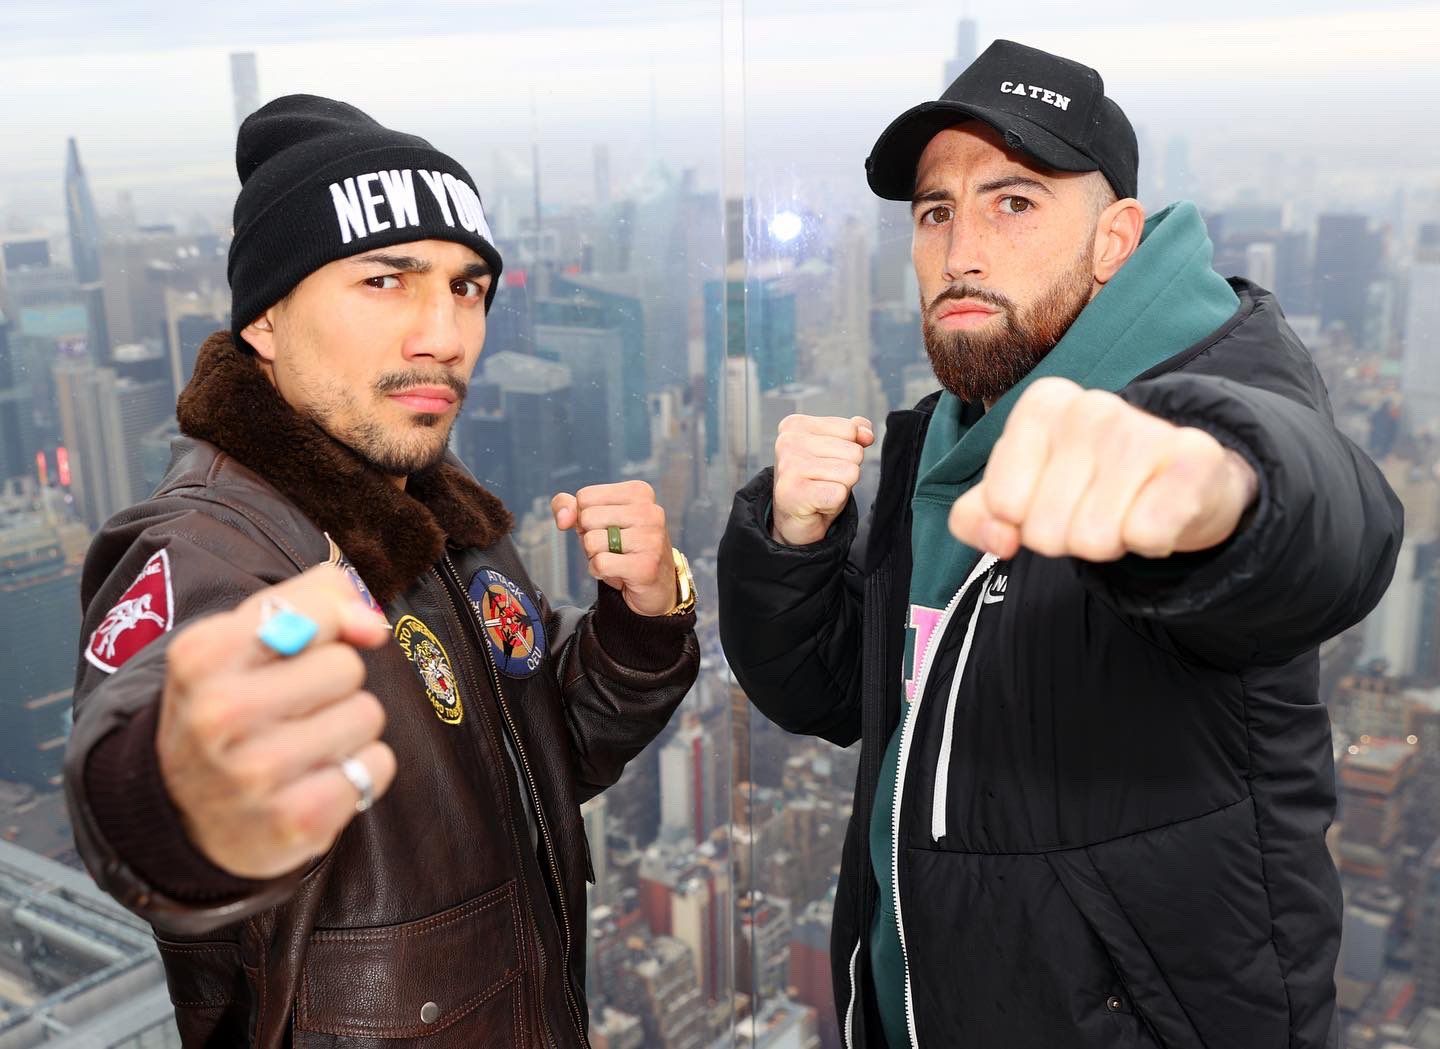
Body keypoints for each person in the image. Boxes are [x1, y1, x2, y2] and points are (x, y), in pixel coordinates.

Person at [718, 40, 1403, 1049]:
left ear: (1116, 239)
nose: (960, 253)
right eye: (936, 212)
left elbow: (1336, 527)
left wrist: (1220, 495)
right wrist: (790, 542)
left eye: (1015, 203)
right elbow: (833, 690)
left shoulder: (1209, 398)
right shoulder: (943, 439)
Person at [65, 95, 699, 1048]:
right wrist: (184, 791)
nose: (443, 333)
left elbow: (543, 753)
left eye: (467, 286)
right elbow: (140, 766)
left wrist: (640, 621)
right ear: (267, 319)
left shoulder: (438, 515)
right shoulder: (213, 547)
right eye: (386, 281)